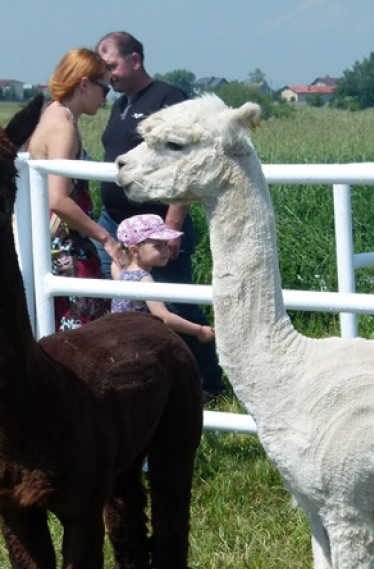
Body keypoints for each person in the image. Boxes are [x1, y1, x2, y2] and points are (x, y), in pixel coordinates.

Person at [95, 30, 224, 400]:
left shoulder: (169, 99)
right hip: (118, 224)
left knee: (175, 304)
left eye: (113, 65)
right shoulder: (119, 104)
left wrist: (171, 228)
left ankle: (207, 382)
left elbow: (185, 161)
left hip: (155, 227)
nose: (109, 75)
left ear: (135, 60)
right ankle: (143, 382)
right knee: (127, 306)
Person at [26, 47, 119, 331]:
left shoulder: (52, 114)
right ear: (84, 84)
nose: (107, 98)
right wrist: (106, 239)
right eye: (105, 88)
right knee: (84, 334)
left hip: (55, 242)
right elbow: (59, 199)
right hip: (64, 247)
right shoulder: (62, 126)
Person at [110, 214, 217, 348]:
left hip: (121, 341)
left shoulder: (123, 273)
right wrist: (199, 330)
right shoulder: (143, 279)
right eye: (157, 246)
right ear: (134, 250)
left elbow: (114, 265)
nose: (166, 251)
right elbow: (163, 317)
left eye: (166, 244)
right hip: (140, 345)